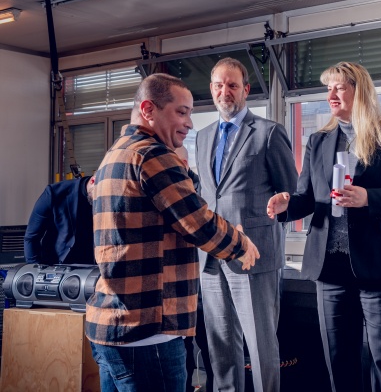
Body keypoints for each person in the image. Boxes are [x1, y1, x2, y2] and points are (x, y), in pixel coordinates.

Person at [85, 73, 260, 391]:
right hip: (148, 330)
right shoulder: (152, 155)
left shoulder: (115, 154)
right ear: (149, 109)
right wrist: (241, 244)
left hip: (112, 327)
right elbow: (199, 223)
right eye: (181, 112)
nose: (190, 123)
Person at [267, 62, 381, 392]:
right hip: (330, 267)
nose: (331, 94)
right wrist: (286, 207)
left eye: (339, 87)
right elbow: (306, 197)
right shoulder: (319, 140)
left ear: (359, 90)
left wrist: (370, 198)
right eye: (328, 88)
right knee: (339, 359)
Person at [195, 57, 298, 392]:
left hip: (254, 257)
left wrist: (283, 204)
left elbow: (292, 194)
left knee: (261, 345)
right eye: (219, 85)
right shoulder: (203, 136)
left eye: (233, 85)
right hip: (211, 258)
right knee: (221, 347)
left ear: (246, 90)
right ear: (211, 89)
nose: (225, 92)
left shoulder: (269, 133)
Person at [175, 145, 212, 392]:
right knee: (182, 353)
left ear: (185, 165)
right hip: (177, 287)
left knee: (211, 349)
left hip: (203, 286)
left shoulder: (203, 192)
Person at [24, 175, 96, 265]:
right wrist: (35, 270)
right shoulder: (53, 193)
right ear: (93, 180)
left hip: (91, 268)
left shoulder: (107, 199)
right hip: (56, 266)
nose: (102, 200)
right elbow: (31, 237)